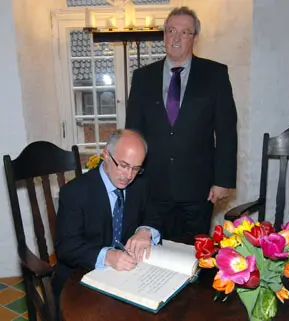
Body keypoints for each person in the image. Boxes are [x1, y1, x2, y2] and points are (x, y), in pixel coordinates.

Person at [125, 6, 237, 239]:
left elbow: (226, 131)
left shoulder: (215, 75)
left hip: (199, 190)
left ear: (195, 38)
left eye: (185, 32)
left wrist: (223, 180)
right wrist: (131, 179)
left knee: (194, 258)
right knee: (152, 254)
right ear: (164, 35)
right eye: (171, 31)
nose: (176, 38)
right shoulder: (142, 77)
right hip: (152, 188)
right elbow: (133, 132)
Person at [52, 129, 161, 302]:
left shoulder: (140, 185)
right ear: (106, 155)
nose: (128, 176)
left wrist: (145, 231)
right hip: (80, 277)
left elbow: (154, 215)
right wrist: (108, 256)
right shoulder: (75, 192)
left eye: (136, 169)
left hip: (128, 276)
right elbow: (66, 246)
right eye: (123, 165)